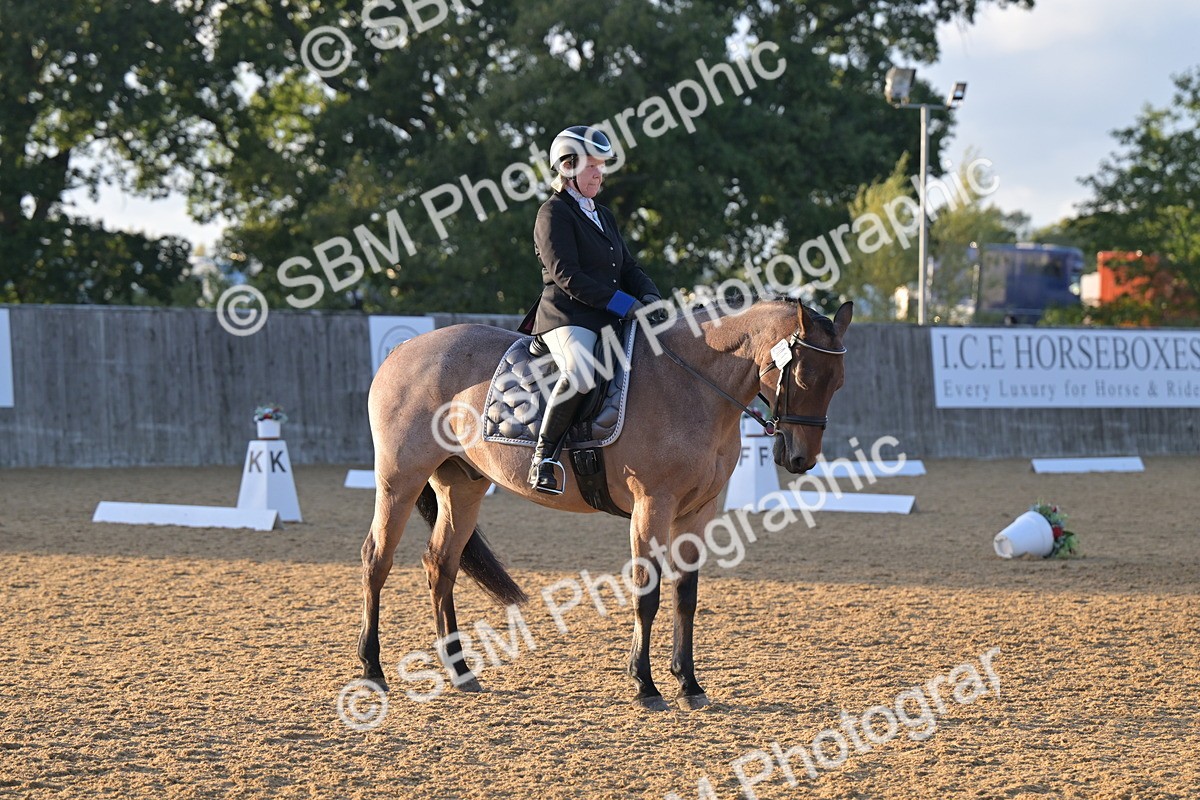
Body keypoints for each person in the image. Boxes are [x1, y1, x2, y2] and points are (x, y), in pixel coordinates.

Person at [525, 125, 668, 494]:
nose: (598, 174)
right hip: (568, 317)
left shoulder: (602, 214)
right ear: (567, 166)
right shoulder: (552, 213)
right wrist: (625, 304)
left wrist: (650, 297)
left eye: (601, 166)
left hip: (609, 315)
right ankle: (544, 458)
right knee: (583, 372)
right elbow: (566, 275)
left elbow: (628, 267)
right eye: (591, 166)